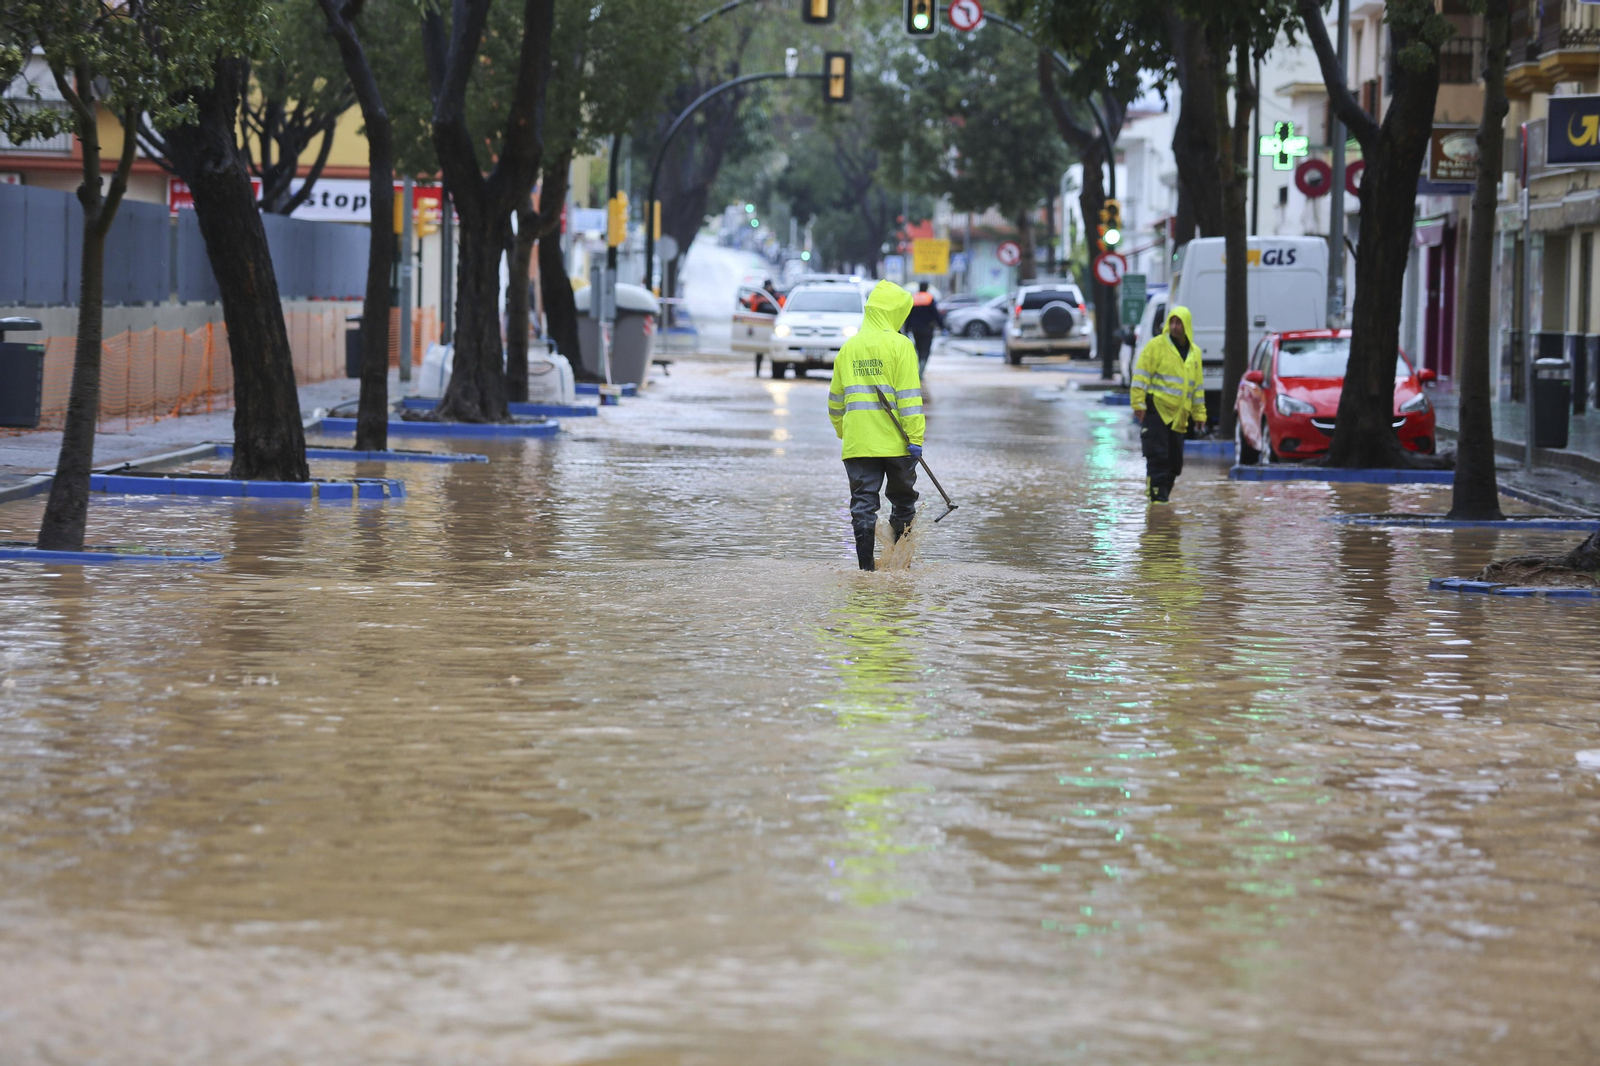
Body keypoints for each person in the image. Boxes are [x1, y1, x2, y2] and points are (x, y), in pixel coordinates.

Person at [828, 280, 925, 571]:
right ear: (894, 312)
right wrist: (916, 438)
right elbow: (909, 399)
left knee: (863, 505)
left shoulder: (849, 347)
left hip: (859, 444)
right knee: (904, 502)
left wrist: (845, 432)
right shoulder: (901, 345)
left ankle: (866, 570)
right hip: (898, 443)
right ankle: (899, 565)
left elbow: (835, 402)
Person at [1130, 305, 1206, 504]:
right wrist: (1138, 404)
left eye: (1178, 323)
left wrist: (1199, 415)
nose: (1174, 327)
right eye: (1171, 322)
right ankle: (1156, 501)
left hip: (1179, 416)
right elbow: (1140, 377)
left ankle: (1162, 498)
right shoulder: (1156, 346)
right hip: (1157, 412)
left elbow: (1197, 388)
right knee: (1157, 458)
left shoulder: (1195, 353)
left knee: (1174, 464)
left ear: (1186, 326)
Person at [902, 281, 943, 375]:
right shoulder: (929, 298)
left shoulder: (914, 298)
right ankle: (921, 369)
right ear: (927, 288)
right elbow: (935, 314)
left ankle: (918, 366)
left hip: (915, 329)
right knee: (926, 349)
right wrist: (941, 326)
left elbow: (909, 315)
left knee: (918, 347)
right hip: (928, 328)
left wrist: (907, 329)